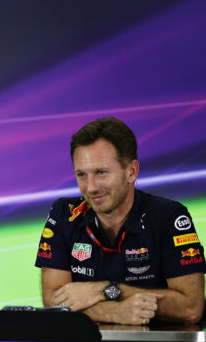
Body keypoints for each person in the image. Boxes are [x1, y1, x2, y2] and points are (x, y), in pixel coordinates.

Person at [35, 117, 205, 324]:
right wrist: (113, 313)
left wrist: (103, 290)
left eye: (101, 172)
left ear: (131, 171)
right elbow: (53, 302)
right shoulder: (64, 213)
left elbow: (190, 308)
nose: (90, 187)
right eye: (81, 174)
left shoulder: (170, 216)